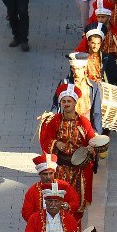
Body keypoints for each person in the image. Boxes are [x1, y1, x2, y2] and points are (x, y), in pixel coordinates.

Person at [39, 84, 97, 215]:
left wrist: (90, 148)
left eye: (69, 101)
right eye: (64, 101)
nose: (66, 104)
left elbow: (91, 141)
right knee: (58, 201)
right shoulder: (55, 121)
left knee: (76, 204)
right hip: (60, 169)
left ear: (75, 102)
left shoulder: (84, 122)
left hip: (78, 171)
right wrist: (56, 143)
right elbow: (45, 140)